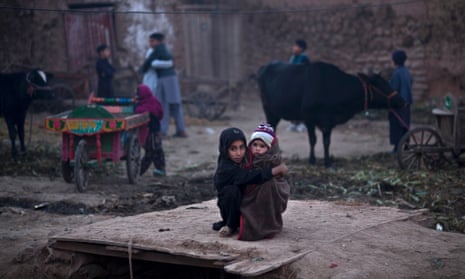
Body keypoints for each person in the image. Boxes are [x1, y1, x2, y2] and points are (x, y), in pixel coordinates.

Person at [213, 127, 288, 237]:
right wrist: (275, 171)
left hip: (249, 201)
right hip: (231, 207)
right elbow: (248, 176)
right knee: (232, 191)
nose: (238, 153)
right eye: (233, 149)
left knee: (268, 185)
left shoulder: (249, 158)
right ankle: (230, 225)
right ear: (225, 149)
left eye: (241, 147)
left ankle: (265, 221)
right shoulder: (226, 167)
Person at [238, 123, 290, 241]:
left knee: (269, 185)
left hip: (270, 192)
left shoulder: (274, 159)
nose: (257, 148)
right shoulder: (247, 159)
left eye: (262, 146)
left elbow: (281, 179)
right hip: (251, 192)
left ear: (269, 147)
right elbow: (244, 176)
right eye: (255, 144)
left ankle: (269, 224)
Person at [143, 33, 188, 138]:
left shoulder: (157, 50)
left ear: (158, 41)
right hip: (172, 78)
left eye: (152, 41)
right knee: (176, 104)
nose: (150, 43)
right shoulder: (165, 50)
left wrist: (144, 67)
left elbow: (150, 63)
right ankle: (181, 130)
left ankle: (163, 130)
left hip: (164, 79)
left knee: (163, 105)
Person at [134, 84, 166, 177]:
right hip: (156, 130)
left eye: (138, 94)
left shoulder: (142, 106)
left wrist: (136, 105)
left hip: (149, 132)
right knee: (157, 150)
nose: (137, 95)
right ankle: (160, 169)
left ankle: (139, 171)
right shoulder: (155, 101)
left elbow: (138, 111)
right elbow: (161, 114)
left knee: (151, 151)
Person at [389, 50, 413, 152]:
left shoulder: (396, 73)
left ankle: (396, 148)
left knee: (397, 124)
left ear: (394, 61)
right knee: (405, 124)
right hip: (407, 103)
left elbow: (393, 89)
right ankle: (406, 145)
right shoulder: (407, 72)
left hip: (398, 104)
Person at [288, 39, 310, 132]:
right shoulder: (293, 58)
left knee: (301, 105)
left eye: (296, 46)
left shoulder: (304, 58)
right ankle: (294, 123)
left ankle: (303, 124)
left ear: (301, 48)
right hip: (292, 85)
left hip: (301, 86)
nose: (294, 48)